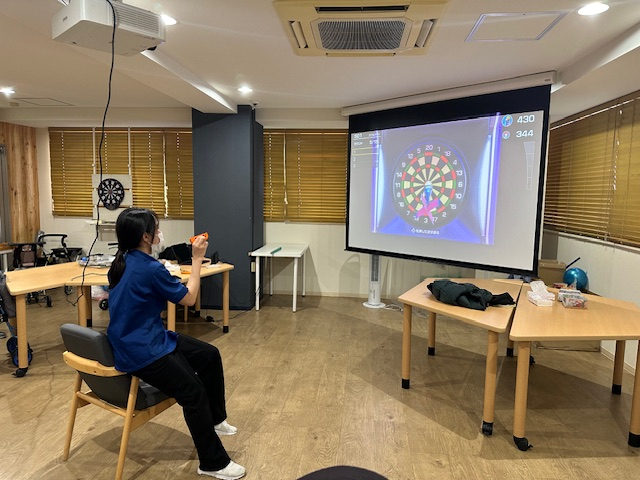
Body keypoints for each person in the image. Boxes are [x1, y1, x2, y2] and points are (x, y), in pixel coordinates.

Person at [107, 208, 245, 480]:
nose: (159, 232)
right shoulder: (150, 269)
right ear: (146, 236)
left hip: (141, 338)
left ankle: (215, 420)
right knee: (193, 392)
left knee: (209, 354)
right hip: (142, 350)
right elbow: (190, 299)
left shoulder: (123, 261)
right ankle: (212, 463)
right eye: (156, 228)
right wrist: (197, 259)